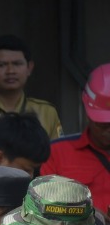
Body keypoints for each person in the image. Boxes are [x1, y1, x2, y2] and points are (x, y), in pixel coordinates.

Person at [40, 64, 110, 215]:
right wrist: (87, 214)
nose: (108, 131)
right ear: (87, 113)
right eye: (102, 124)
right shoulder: (56, 153)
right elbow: (44, 207)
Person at [0, 35, 63, 139]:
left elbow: (58, 149)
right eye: (2, 65)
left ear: (29, 68)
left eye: (17, 64)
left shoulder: (46, 112)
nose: (10, 71)